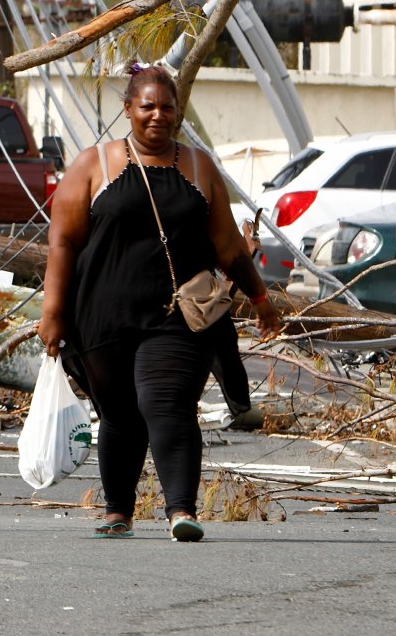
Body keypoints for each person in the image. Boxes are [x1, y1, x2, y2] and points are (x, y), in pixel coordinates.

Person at [37, 63, 283, 541]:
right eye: (147, 106)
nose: (157, 115)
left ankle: (180, 510)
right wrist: (52, 313)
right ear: (128, 109)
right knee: (120, 415)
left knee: (165, 402)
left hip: (178, 315)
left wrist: (260, 298)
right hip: (101, 318)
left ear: (178, 112)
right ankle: (117, 510)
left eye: (166, 107)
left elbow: (229, 246)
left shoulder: (197, 167)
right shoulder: (94, 165)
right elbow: (63, 242)